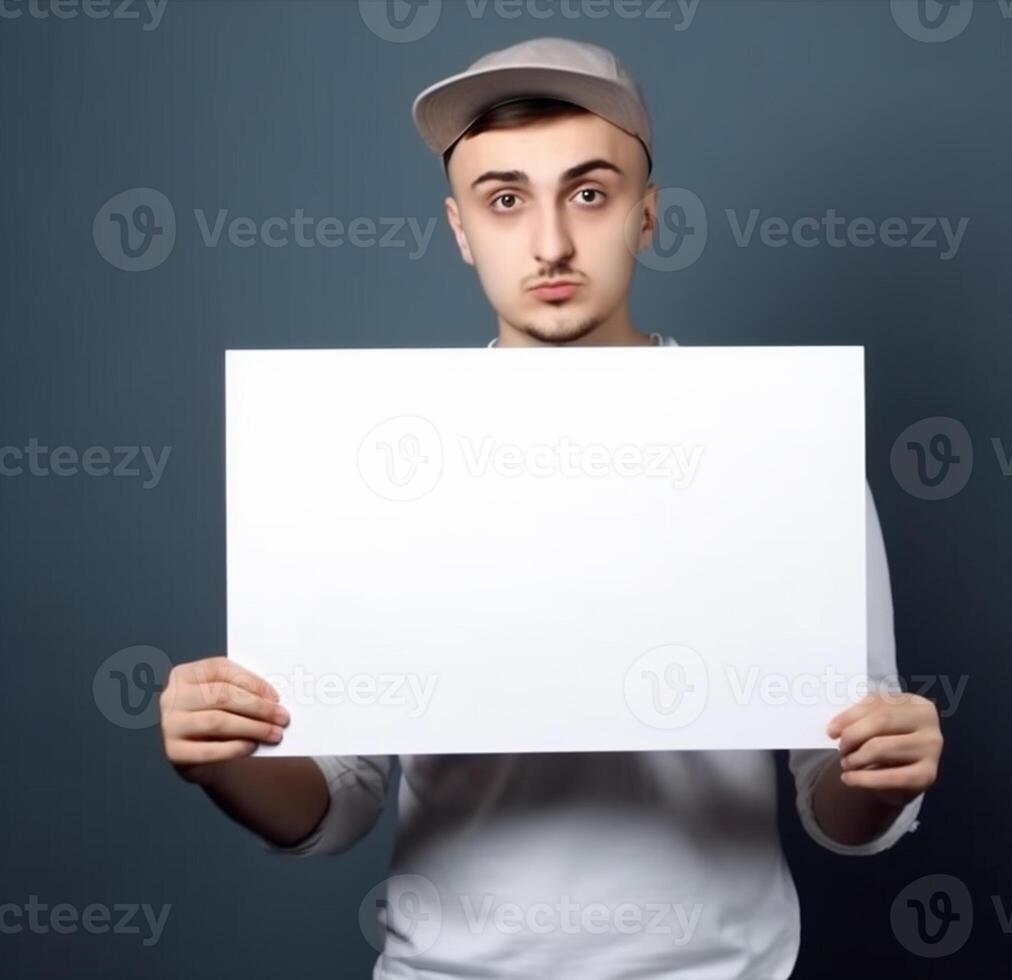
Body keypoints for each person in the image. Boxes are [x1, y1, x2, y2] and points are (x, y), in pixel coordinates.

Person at [159, 37, 944, 979]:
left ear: (646, 214)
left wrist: (883, 769)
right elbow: (340, 800)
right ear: (459, 229)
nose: (550, 245)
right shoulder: (381, 457)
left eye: (588, 193)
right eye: (505, 201)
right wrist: (224, 760)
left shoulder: (780, 442)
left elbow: (838, 803)